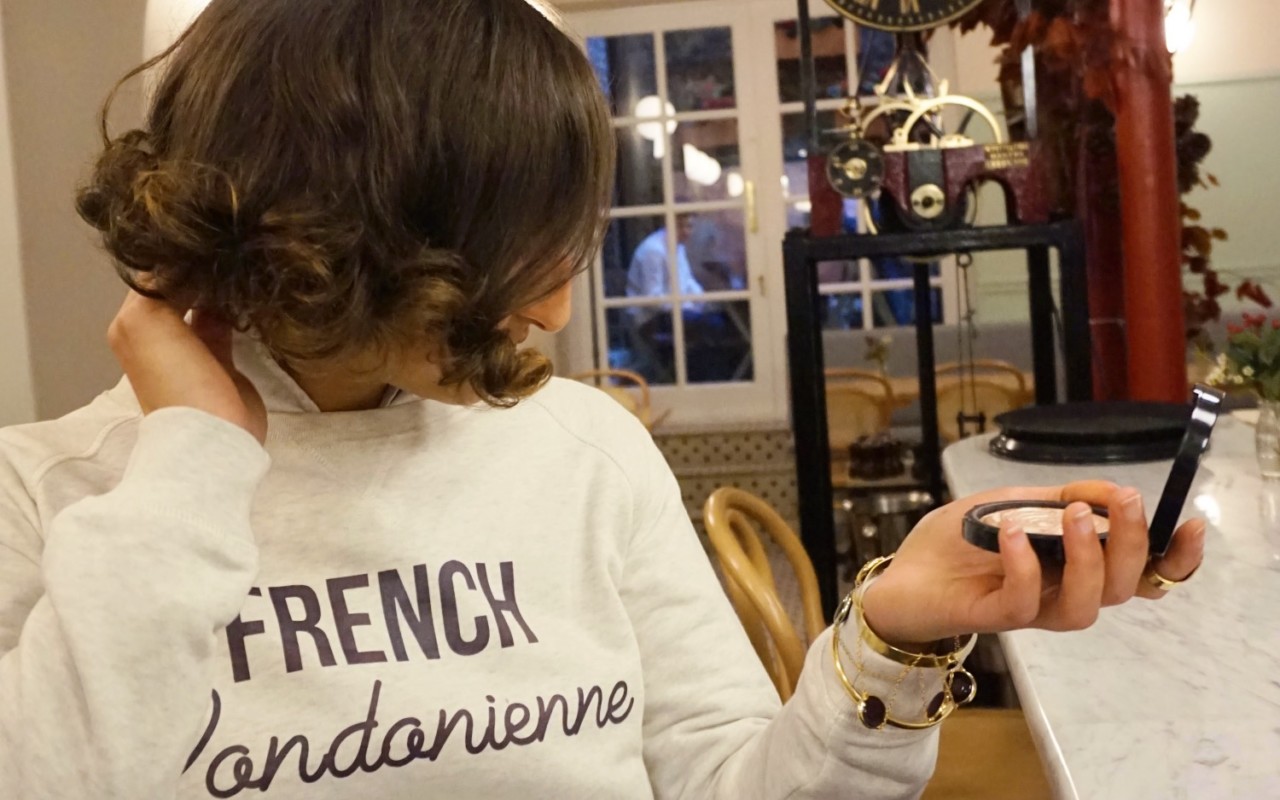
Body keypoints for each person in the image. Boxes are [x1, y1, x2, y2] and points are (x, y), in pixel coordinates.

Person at [0, 1, 1205, 798]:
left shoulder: (585, 450)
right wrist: (191, 463)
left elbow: (723, 778)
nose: (551, 308)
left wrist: (890, 637)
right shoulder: (47, 501)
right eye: (508, 253)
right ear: (347, 229)